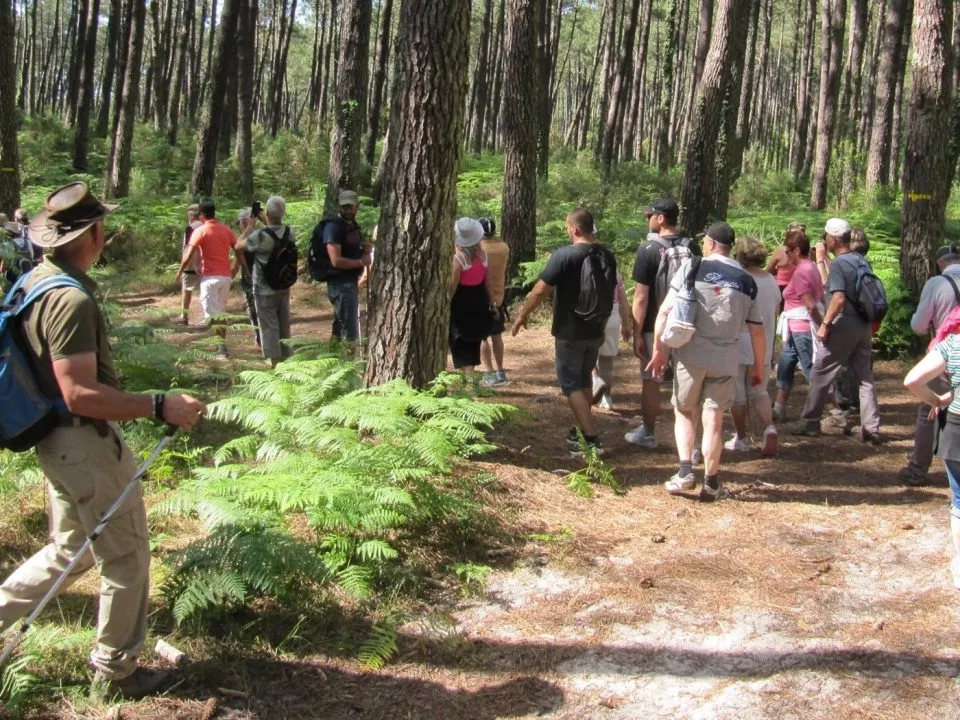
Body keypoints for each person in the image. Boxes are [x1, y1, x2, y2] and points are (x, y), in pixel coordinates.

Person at [0, 181, 206, 698]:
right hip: (84, 447)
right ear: (92, 235)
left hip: (60, 446)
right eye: (102, 227)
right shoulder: (70, 300)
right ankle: (116, 672)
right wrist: (159, 405)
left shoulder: (35, 281)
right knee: (126, 556)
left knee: (72, 549)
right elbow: (79, 394)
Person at [646, 222, 765, 502]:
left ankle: (685, 472)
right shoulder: (746, 279)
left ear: (710, 243)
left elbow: (665, 311)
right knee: (714, 419)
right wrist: (759, 366)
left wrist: (659, 350)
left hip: (691, 355)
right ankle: (711, 483)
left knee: (685, 411)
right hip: (726, 359)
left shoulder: (693, 267)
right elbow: (757, 331)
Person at [512, 208, 617, 456]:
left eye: (568, 227)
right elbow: (609, 292)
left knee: (570, 383)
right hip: (595, 329)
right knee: (583, 379)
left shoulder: (565, 255)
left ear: (575, 229)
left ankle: (590, 439)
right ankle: (581, 429)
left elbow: (541, 289)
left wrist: (523, 313)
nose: (567, 231)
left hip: (570, 331)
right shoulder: (607, 255)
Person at [792, 218, 882, 444]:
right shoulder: (860, 260)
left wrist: (825, 324)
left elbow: (839, 298)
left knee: (821, 371)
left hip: (844, 324)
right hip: (863, 324)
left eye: (826, 236)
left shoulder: (840, 264)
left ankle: (810, 422)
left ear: (832, 238)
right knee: (864, 377)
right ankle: (871, 428)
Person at [626, 198, 697, 449]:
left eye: (650, 216)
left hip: (653, 327)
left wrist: (637, 332)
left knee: (651, 380)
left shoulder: (648, 249)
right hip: (687, 324)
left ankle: (648, 433)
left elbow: (641, 297)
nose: (648, 220)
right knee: (688, 380)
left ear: (661, 219)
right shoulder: (692, 247)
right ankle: (693, 443)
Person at [903, 322, 960, 591]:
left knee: (959, 500)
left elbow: (912, 380)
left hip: (957, 429)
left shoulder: (953, 345)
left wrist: (938, 400)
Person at [900, 244, 960, 485]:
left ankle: (918, 468)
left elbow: (918, 325)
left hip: (943, 352)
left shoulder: (936, 284)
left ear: (940, 263)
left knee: (929, 409)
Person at [726, 236, 779, 456]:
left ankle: (740, 437)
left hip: (740, 342)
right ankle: (769, 427)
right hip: (763, 343)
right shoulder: (771, 281)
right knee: (759, 392)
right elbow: (776, 310)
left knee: (737, 393)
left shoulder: (739, 279)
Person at [175, 200, 245, 357]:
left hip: (209, 279)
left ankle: (220, 345)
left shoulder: (200, 231)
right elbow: (239, 250)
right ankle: (221, 347)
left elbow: (189, 254)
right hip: (225, 278)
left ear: (201, 215)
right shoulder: (226, 229)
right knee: (219, 312)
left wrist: (180, 271)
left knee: (212, 316)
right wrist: (240, 268)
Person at [773, 229, 825, 421]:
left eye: (787, 251)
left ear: (796, 251)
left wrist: (823, 326)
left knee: (811, 370)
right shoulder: (810, 266)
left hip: (802, 328)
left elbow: (810, 305)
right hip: (795, 329)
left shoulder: (802, 271)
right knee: (786, 363)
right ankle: (779, 407)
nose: (785, 255)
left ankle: (834, 411)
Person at [237, 196, 294, 367]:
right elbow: (276, 236)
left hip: (264, 289)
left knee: (269, 326)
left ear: (267, 213)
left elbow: (238, 246)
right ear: (283, 213)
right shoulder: (290, 232)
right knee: (284, 325)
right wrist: (269, 221)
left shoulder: (260, 236)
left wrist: (250, 227)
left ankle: (275, 364)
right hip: (284, 286)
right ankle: (287, 361)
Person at [323, 189, 372, 343]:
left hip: (350, 282)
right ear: (339, 206)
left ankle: (331, 355)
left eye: (350, 206)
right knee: (350, 334)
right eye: (344, 207)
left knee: (339, 328)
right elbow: (336, 260)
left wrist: (365, 250)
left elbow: (353, 251)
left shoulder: (353, 226)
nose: (348, 210)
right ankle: (347, 358)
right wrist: (361, 262)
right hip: (340, 285)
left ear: (357, 206)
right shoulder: (333, 228)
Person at [449, 218, 495, 379]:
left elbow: (453, 286)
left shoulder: (459, 259)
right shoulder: (484, 256)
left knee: (461, 340)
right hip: (479, 301)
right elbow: (488, 283)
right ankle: (469, 378)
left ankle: (468, 381)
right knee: (474, 340)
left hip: (461, 304)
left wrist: (446, 303)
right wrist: (492, 302)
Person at [592, 270, 632, 409]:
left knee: (588, 353)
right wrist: (626, 324)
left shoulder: (586, 268)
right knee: (606, 359)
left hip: (591, 312)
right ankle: (607, 398)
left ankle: (595, 381)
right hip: (612, 314)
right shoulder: (615, 273)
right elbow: (623, 302)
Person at [479, 217, 510, 386]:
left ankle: (489, 373)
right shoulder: (503, 248)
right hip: (498, 298)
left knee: (482, 337)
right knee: (496, 335)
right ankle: (500, 371)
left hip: (482, 297)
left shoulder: (478, 250)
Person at [235, 210, 261, 348]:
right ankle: (260, 336)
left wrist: (246, 272)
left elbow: (237, 250)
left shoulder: (250, 237)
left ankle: (260, 337)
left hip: (253, 279)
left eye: (242, 222)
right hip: (256, 279)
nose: (241, 225)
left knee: (253, 309)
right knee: (255, 309)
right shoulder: (261, 235)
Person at [178, 204, 202, 325]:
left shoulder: (190, 228)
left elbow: (188, 249)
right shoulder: (206, 226)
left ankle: (184, 316)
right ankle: (208, 317)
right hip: (204, 265)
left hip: (191, 265)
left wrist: (181, 268)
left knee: (186, 290)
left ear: (191, 217)